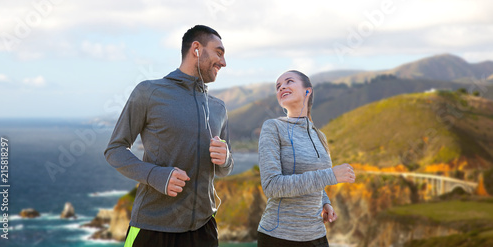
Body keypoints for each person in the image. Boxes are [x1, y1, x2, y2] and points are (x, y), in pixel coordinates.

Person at [104, 25, 233, 247]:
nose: (223, 62)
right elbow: (115, 150)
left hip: (204, 230)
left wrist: (226, 159)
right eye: (218, 52)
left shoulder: (218, 108)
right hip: (152, 228)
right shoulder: (149, 92)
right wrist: (155, 175)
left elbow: (224, 168)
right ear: (196, 49)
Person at [257, 70, 356, 247]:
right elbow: (272, 186)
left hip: (317, 235)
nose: (282, 87)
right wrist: (331, 175)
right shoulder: (273, 127)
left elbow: (314, 176)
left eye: (289, 82)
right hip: (280, 237)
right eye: (278, 86)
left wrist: (325, 202)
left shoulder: (320, 136)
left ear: (307, 91)